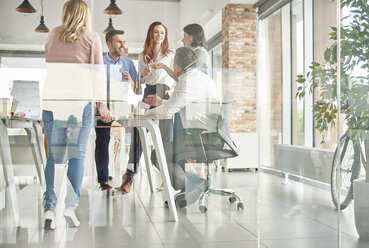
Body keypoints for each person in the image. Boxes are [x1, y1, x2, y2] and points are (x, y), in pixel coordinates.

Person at [43, 0, 111, 229]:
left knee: (53, 157)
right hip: (77, 104)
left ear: (65, 13)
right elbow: (98, 75)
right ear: (85, 14)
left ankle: (49, 209)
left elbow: (50, 64)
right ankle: (70, 208)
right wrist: (102, 106)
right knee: (76, 155)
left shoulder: (52, 34)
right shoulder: (91, 37)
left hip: (51, 102)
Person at [144, 47, 220, 207]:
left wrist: (144, 114)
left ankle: (192, 184)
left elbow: (168, 110)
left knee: (157, 154)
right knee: (170, 150)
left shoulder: (186, 82)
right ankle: (191, 184)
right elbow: (179, 103)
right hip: (213, 136)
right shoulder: (203, 78)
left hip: (200, 139)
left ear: (177, 66)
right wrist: (161, 102)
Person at [120, 21, 175, 193]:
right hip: (147, 95)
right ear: (150, 34)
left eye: (162, 33)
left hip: (164, 95)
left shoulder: (171, 55)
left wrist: (169, 94)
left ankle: (168, 179)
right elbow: (138, 89)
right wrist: (139, 78)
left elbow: (178, 78)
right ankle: (129, 175)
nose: (159, 36)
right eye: (156, 32)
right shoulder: (143, 55)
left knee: (167, 140)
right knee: (137, 137)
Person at [95, 30, 140, 194]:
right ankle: (104, 181)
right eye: (119, 42)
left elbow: (138, 91)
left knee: (138, 133)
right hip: (103, 107)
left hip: (121, 107)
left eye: (124, 41)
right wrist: (102, 107)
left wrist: (132, 81)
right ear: (109, 44)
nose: (123, 45)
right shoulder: (99, 62)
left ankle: (129, 175)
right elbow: (94, 88)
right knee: (102, 140)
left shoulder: (128, 63)